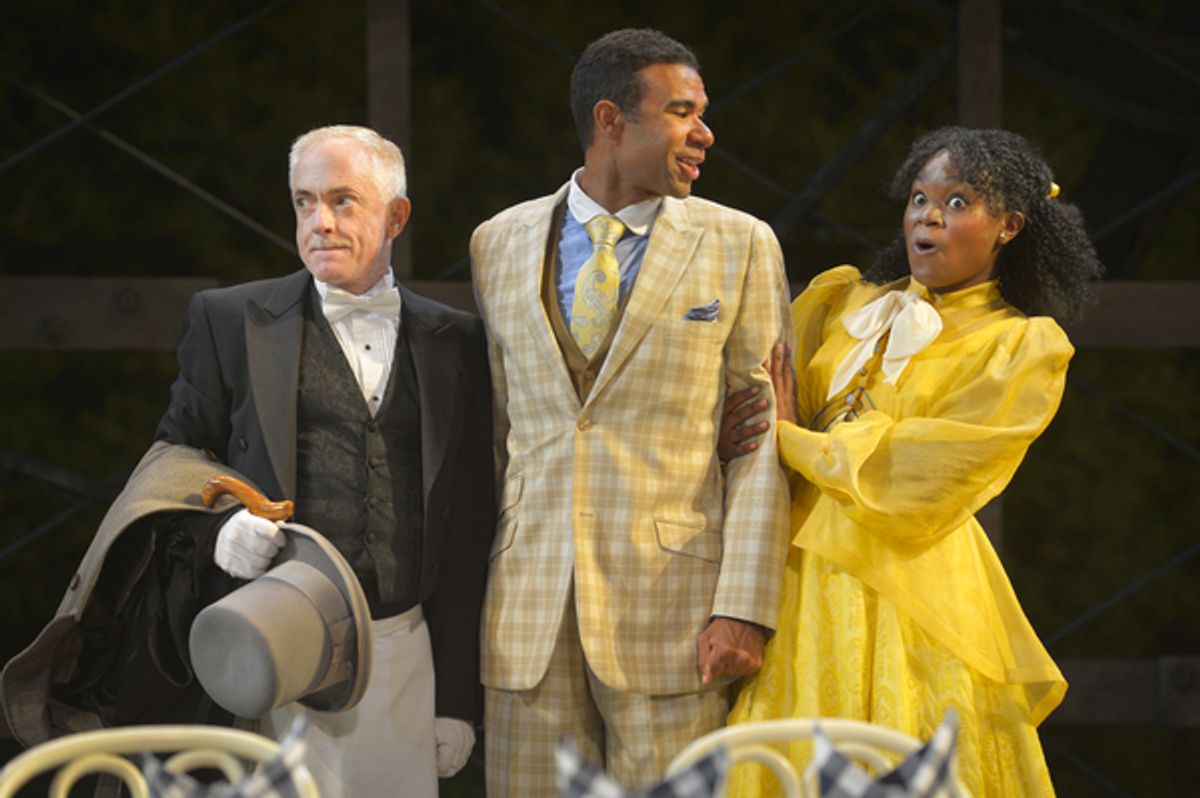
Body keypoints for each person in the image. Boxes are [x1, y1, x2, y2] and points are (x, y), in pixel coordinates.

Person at [1, 125, 495, 798]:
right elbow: (172, 461)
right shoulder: (231, 320)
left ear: (396, 216)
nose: (319, 222)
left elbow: (468, 526)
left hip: (405, 658)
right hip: (269, 654)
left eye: (343, 200)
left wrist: (458, 699)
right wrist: (218, 529)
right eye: (303, 201)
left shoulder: (456, 341)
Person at [718, 127, 1103, 797]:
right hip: (801, 572)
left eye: (958, 203)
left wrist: (797, 441)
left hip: (913, 589)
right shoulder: (843, 301)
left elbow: (926, 471)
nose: (929, 215)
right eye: (920, 197)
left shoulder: (1021, 347)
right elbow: (759, 397)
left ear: (1009, 225)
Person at [469, 28, 792, 795]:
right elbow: (501, 429)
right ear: (611, 120)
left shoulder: (741, 244)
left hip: (677, 618)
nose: (704, 134)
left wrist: (744, 607)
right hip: (529, 615)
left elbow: (763, 439)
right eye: (682, 111)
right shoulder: (498, 242)